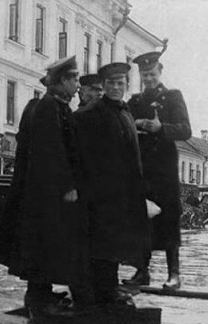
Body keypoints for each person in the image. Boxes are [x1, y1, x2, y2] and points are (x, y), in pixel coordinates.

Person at [0, 55, 91, 317]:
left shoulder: (52, 105)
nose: (78, 86)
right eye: (75, 79)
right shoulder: (47, 108)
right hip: (47, 193)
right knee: (43, 244)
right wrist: (68, 185)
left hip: (44, 192)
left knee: (43, 245)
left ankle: (41, 293)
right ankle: (38, 299)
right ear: (62, 81)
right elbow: (53, 151)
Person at [74, 62, 150, 306]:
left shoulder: (124, 112)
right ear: (104, 86)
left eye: (121, 83)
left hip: (124, 193)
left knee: (116, 243)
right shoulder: (93, 113)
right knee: (102, 245)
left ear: (127, 85)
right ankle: (104, 294)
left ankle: (108, 289)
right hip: (102, 194)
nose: (116, 87)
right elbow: (80, 152)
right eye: (111, 84)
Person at [124, 51, 192, 290]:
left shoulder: (173, 97)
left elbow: (185, 130)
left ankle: (174, 274)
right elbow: (123, 126)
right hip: (141, 167)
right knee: (141, 217)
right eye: (144, 75)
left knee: (169, 218)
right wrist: (138, 123)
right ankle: (142, 271)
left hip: (164, 167)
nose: (148, 79)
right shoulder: (134, 102)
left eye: (152, 74)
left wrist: (161, 127)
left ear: (160, 71)